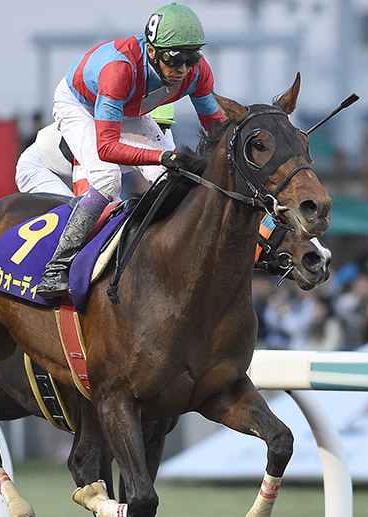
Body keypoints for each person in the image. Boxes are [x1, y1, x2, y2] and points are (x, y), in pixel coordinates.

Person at [35, 2, 225, 298]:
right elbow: (108, 147)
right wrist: (161, 155)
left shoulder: (196, 73)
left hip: (129, 107)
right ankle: (57, 267)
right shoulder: (119, 69)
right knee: (107, 179)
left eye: (192, 58)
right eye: (175, 59)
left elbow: (218, 132)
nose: (184, 70)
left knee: (169, 179)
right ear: (152, 51)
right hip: (80, 105)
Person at [15, 105, 177, 197]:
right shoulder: (98, 137)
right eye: (146, 128)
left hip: (71, 169)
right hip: (39, 168)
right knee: (72, 217)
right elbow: (86, 197)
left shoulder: (163, 138)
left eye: (162, 127)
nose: (153, 135)